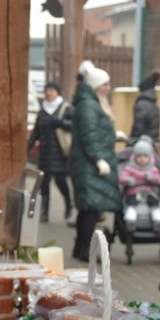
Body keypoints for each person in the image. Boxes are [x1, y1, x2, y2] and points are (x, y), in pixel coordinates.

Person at [69, 60, 120, 262]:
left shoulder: (90, 103)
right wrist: (98, 159)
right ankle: (84, 251)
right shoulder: (89, 105)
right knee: (90, 209)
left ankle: (80, 249)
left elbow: (96, 130)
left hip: (88, 164)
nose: (108, 88)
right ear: (95, 85)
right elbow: (89, 134)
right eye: (104, 85)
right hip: (89, 165)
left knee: (89, 208)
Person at [27, 81, 74, 223]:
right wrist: (28, 146)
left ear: (57, 92)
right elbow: (36, 132)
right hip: (45, 154)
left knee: (61, 182)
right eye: (47, 90)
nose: (49, 93)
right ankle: (44, 213)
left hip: (60, 153)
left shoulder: (66, 109)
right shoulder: (42, 112)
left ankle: (68, 203)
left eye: (52, 90)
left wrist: (60, 123)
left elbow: (74, 125)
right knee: (44, 185)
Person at [118, 137, 160, 226]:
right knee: (130, 204)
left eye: (145, 156)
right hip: (133, 192)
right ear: (134, 157)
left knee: (156, 203)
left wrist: (152, 178)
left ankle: (157, 220)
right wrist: (128, 180)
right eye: (139, 156)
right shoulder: (129, 168)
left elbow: (159, 179)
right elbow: (122, 178)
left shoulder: (153, 169)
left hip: (149, 192)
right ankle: (130, 220)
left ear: (150, 157)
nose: (142, 159)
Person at [129, 68, 160, 145]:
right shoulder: (154, 105)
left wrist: (131, 142)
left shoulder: (141, 105)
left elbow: (138, 126)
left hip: (141, 143)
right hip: (152, 142)